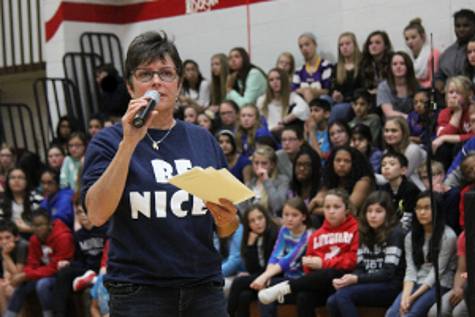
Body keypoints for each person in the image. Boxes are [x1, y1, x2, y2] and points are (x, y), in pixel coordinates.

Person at [81, 31, 239, 316]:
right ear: (130, 87)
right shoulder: (107, 142)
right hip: (138, 293)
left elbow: (226, 227)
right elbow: (96, 214)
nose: (156, 81)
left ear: (179, 85)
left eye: (166, 73)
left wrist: (227, 218)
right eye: (145, 74)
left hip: (203, 288)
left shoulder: (203, 140)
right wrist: (129, 144)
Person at [258, 189, 359, 317]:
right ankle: (285, 287)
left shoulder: (356, 229)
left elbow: (352, 261)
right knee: (303, 296)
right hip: (322, 284)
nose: (331, 211)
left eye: (336, 207)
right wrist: (311, 264)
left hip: (345, 280)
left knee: (330, 272)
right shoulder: (317, 235)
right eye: (327, 207)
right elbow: (307, 269)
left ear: (347, 209)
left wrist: (323, 263)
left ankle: (286, 287)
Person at [326, 191, 406, 317]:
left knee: (343, 295)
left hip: (391, 286)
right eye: (369, 211)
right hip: (370, 283)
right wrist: (348, 280)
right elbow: (360, 267)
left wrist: (356, 279)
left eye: (378, 211)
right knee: (331, 301)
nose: (372, 216)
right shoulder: (364, 232)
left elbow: (388, 273)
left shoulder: (395, 233)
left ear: (387, 213)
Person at [385, 191, 457, 317]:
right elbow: (411, 270)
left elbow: (437, 272)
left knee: (409, 315)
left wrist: (412, 298)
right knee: (392, 313)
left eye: (427, 208)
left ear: (437, 210)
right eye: (418, 208)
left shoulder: (448, 236)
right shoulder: (410, 237)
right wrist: (405, 297)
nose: (421, 212)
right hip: (417, 281)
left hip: (440, 284)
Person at [4, 207, 74, 317]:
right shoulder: (34, 239)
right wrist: (23, 275)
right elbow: (32, 263)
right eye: (35, 226)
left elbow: (55, 267)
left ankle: (49, 314)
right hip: (43, 273)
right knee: (22, 285)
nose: (38, 229)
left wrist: (26, 275)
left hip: (61, 275)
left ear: (50, 224)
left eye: (41, 225)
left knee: (42, 285)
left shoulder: (64, 237)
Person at [251, 198, 314, 316]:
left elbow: (289, 260)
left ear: (304, 217)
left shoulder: (309, 235)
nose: (289, 219)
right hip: (287, 279)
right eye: (286, 215)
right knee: (264, 292)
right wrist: (267, 276)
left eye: (294, 215)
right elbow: (276, 255)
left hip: (302, 281)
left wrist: (265, 276)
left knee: (266, 290)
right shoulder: (284, 230)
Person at [52, 198, 108, 317]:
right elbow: (80, 260)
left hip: (103, 269)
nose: (82, 215)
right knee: (63, 273)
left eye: (85, 211)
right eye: (79, 212)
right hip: (87, 269)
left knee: (88, 291)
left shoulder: (106, 230)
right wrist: (68, 264)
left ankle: (93, 278)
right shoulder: (78, 235)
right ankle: (60, 314)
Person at [227, 204, 280, 317]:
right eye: (252, 220)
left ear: (266, 217)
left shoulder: (274, 234)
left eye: (260, 218)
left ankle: (227, 314)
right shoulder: (251, 237)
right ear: (248, 224)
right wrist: (250, 245)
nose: (257, 223)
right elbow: (252, 268)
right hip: (260, 277)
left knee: (238, 282)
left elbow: (270, 267)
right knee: (244, 296)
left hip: (274, 277)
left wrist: (253, 275)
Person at [308, 145, 375, 217]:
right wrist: (315, 203)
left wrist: (316, 203)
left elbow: (350, 209)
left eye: (347, 161)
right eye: (338, 160)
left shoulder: (364, 181)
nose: (341, 164)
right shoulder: (330, 180)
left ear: (355, 164)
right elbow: (314, 204)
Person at [434, 76, 474, 171]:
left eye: (458, 93)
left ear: (469, 95)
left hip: (470, 147)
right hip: (453, 147)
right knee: (442, 148)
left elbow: (474, 136)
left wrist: (446, 138)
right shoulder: (444, 113)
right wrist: (457, 113)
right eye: (451, 92)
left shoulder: (473, 111)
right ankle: (441, 179)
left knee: (459, 147)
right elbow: (441, 135)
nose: (453, 96)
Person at [237, 145, 289, 218]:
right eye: (256, 163)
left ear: (272, 165)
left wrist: (266, 180)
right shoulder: (250, 184)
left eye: (264, 163)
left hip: (273, 225)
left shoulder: (282, 181)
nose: (259, 167)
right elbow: (242, 209)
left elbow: (278, 207)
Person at [257, 68, 310, 136]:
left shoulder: (291, 96)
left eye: (278, 78)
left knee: (295, 109)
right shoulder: (262, 100)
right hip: (269, 134)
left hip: (286, 131)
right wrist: (273, 128)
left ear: (284, 80)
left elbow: (304, 108)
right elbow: (259, 122)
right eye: (271, 80)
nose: (275, 82)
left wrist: (285, 120)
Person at [427, 229, 468, 317]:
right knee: (436, 312)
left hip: (469, 288)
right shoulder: (465, 236)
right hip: (466, 284)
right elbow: (461, 270)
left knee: (459, 312)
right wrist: (457, 289)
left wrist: (465, 290)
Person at [434, 9, 475, 93]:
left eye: (466, 26)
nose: (461, 29)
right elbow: (439, 74)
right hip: (450, 97)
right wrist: (438, 82)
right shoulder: (447, 53)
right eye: (458, 26)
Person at [417, 160, 461, 235]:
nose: (429, 181)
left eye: (433, 175)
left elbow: (450, 223)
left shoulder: (454, 195)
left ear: (442, 175)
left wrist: (437, 198)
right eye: (425, 178)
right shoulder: (423, 196)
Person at [380, 152, 420, 232]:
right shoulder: (384, 189)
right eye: (383, 165)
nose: (386, 168)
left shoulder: (410, 189)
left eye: (392, 164)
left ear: (403, 170)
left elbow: (408, 219)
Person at [383, 116, 427, 189]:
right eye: (386, 131)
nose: (389, 134)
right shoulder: (387, 151)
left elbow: (400, 177)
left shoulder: (412, 150)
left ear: (404, 132)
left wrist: (370, 176)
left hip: (418, 190)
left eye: (394, 131)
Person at [329, 32, 364, 122]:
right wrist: (335, 94)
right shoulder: (337, 67)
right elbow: (332, 87)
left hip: (354, 101)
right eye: (341, 45)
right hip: (339, 100)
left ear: (355, 45)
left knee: (337, 109)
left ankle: (330, 133)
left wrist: (343, 98)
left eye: (348, 44)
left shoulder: (362, 64)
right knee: (323, 100)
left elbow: (362, 89)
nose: (344, 47)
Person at [377, 51, 422, 119]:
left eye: (402, 63)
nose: (398, 66)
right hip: (392, 125)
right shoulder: (383, 87)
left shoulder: (418, 86)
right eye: (395, 64)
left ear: (408, 66)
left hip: (414, 125)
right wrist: (410, 119)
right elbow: (389, 113)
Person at [0, 168, 43, 238]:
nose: (16, 181)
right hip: (7, 238)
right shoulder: (2, 200)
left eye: (20, 178)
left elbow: (43, 227)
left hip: (32, 236)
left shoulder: (36, 199)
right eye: (13, 178)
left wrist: (28, 229)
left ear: (26, 181)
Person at [292, 32, 333, 104]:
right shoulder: (299, 71)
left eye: (307, 45)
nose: (304, 49)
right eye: (301, 46)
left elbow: (327, 90)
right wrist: (308, 91)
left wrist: (309, 91)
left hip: (323, 103)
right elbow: (294, 90)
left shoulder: (325, 66)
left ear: (315, 45)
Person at [0, 221, 29, 316]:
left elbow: (18, 274)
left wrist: (6, 255)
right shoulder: (4, 248)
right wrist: (6, 280)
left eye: (8, 237)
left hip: (29, 278)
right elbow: (6, 272)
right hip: (18, 278)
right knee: (1, 286)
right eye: (0, 238)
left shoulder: (22, 246)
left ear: (17, 237)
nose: (4, 242)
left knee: (14, 290)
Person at [403, 18, 441, 88]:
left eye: (413, 37)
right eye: (407, 39)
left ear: (423, 37)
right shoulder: (407, 57)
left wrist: (416, 87)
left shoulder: (434, 54)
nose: (409, 42)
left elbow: (435, 80)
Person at [214, 223, 245, 297]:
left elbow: (235, 261)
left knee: (214, 289)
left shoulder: (237, 229)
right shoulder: (213, 229)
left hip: (237, 273)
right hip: (218, 273)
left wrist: (212, 275)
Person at [360, 30, 393, 95]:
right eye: (370, 43)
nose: (373, 46)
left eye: (377, 43)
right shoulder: (365, 62)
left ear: (386, 46)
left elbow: (396, 84)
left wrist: (380, 90)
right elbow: (363, 86)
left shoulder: (393, 60)